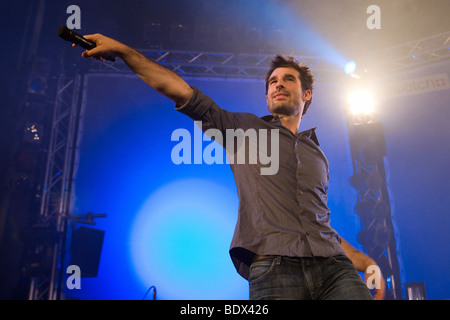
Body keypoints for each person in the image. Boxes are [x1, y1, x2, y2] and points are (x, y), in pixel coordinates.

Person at [72, 34, 385, 300]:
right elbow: (182, 92)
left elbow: (320, 226)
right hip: (275, 268)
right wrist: (124, 51)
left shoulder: (318, 156)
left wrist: (365, 261)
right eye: (273, 81)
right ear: (266, 97)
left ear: (307, 94)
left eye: (288, 79)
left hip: (335, 269)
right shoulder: (244, 130)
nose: (279, 84)